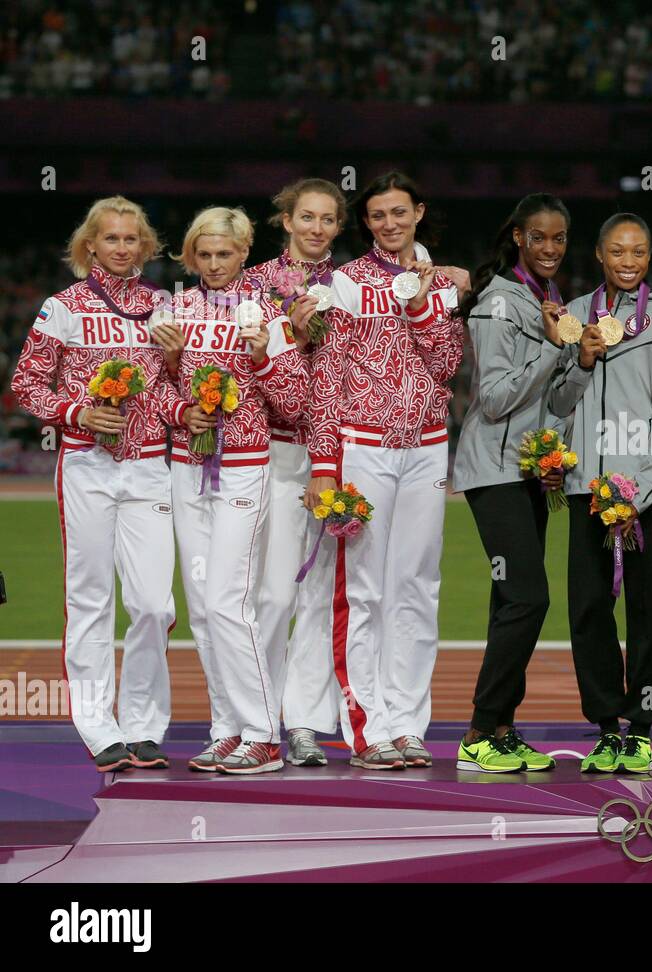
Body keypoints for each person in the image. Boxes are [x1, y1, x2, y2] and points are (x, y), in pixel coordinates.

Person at [12, 196, 199, 772]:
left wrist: (182, 404)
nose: (122, 248)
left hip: (149, 466)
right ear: (90, 245)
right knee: (89, 599)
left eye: (132, 239)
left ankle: (144, 723)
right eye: (111, 239)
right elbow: (26, 384)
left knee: (152, 603)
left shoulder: (165, 308)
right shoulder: (62, 308)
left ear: (145, 246)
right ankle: (98, 726)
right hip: (87, 465)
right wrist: (78, 414)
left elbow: (168, 391)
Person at [303, 171, 463, 770]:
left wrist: (423, 302)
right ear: (366, 223)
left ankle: (408, 722)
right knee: (363, 590)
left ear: (419, 212)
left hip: (426, 447)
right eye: (377, 216)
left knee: (419, 588)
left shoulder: (440, 282)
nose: (390, 224)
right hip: (361, 447)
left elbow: (446, 363)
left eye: (399, 212)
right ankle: (368, 727)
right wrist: (324, 462)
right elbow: (328, 379)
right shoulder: (344, 283)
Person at [160, 206, 308, 775]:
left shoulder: (268, 312)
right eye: (205, 254)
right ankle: (226, 727)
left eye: (226, 253)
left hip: (246, 467)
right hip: (187, 467)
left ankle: (264, 733)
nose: (215, 264)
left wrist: (262, 355)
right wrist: (179, 398)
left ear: (245, 252)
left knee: (227, 598)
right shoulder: (175, 309)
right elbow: (156, 393)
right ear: (191, 256)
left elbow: (293, 403)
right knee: (201, 607)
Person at [548, 213, 652, 773]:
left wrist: (636, 494)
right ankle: (605, 726)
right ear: (600, 255)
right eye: (618, 252)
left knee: (649, 611)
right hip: (586, 488)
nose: (629, 262)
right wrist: (581, 362)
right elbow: (557, 402)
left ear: (650, 257)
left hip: (647, 493)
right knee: (589, 610)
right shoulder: (574, 316)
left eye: (640, 252)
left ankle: (643, 726)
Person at [452, 193, 572, 773]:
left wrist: (577, 361)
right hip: (495, 469)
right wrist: (553, 351)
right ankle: (479, 730)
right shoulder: (500, 302)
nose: (550, 248)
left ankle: (501, 729)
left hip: (530, 469)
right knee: (529, 598)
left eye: (559, 239)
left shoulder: (545, 300)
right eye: (539, 237)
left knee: (510, 601)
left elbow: (556, 397)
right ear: (518, 238)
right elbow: (495, 399)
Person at [244, 177, 347, 767]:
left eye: (328, 219)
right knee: (274, 592)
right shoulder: (253, 285)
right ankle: (257, 718)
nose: (316, 229)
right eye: (306, 217)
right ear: (285, 220)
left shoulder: (351, 286)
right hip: (275, 453)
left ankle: (306, 722)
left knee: (318, 596)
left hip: (336, 453)